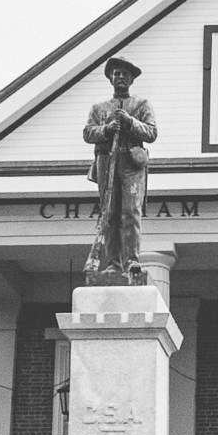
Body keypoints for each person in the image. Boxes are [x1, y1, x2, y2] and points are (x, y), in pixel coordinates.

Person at [81, 55, 156, 282]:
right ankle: (113, 263)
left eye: (125, 74)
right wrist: (106, 128)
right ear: (111, 79)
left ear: (131, 79)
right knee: (110, 214)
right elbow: (87, 133)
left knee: (131, 213)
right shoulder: (99, 108)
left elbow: (151, 133)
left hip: (132, 162)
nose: (120, 77)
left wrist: (130, 122)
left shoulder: (141, 105)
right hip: (106, 161)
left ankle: (131, 261)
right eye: (117, 74)